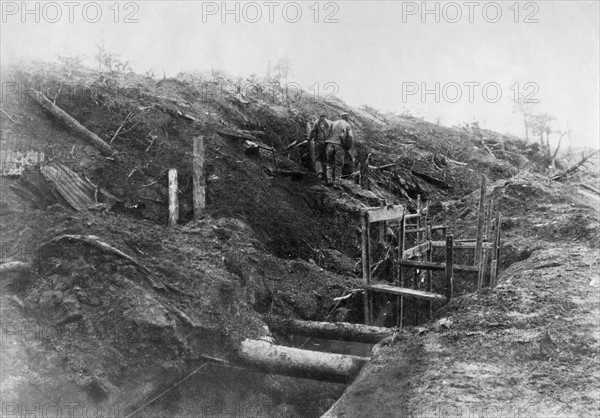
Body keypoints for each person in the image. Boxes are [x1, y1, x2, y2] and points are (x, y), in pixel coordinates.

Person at [324, 112, 354, 185]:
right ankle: (337, 182)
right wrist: (347, 146)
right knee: (339, 164)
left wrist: (326, 142)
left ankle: (329, 180)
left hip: (329, 144)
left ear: (341, 117)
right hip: (339, 145)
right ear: (347, 118)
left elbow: (326, 132)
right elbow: (350, 137)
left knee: (329, 163)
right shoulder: (347, 125)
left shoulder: (333, 123)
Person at [307, 114, 331, 179]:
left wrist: (309, 139)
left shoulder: (317, 122)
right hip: (327, 144)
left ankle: (320, 173)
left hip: (319, 142)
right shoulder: (329, 123)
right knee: (326, 159)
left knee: (318, 158)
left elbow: (312, 132)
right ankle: (327, 176)